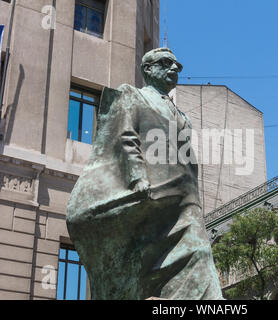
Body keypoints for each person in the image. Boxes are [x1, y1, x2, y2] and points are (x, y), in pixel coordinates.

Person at [66, 48, 223, 300]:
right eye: (165, 63)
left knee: (200, 251)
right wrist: (137, 177)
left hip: (183, 198)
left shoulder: (183, 117)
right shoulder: (133, 96)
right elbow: (126, 137)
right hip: (150, 193)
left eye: (177, 66)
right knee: (145, 257)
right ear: (147, 69)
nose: (174, 69)